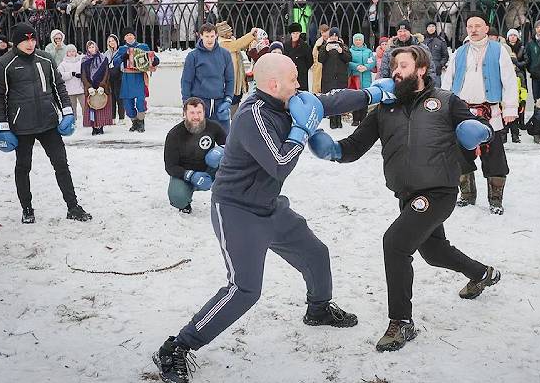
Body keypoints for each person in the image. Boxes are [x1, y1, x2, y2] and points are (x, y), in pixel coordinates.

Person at [152, 53, 394, 383]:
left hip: (269, 205)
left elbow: (326, 101)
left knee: (315, 253)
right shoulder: (253, 116)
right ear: (275, 84)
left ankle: (318, 308)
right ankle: (178, 346)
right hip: (237, 210)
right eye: (295, 78)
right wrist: (301, 132)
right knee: (244, 290)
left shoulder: (285, 100)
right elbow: (279, 163)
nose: (300, 84)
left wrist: (373, 94)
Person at [308, 44, 498, 351]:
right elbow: (355, 146)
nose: (396, 72)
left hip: (438, 191)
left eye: (404, 66)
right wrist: (333, 151)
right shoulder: (384, 109)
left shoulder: (447, 101)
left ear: (421, 69)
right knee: (434, 252)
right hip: (407, 194)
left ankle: (401, 323)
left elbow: (481, 130)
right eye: (393, 67)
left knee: (395, 243)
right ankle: (482, 273)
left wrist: (477, 131)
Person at [0, 22, 92, 224]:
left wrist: (67, 112)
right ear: (16, 42)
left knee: (61, 164)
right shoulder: (4, 64)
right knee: (23, 167)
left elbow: (59, 86)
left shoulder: (45, 59)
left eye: (33, 39)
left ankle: (73, 207)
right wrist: (1, 127)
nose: (30, 43)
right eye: (25, 39)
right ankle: (27, 209)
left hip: (48, 122)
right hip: (21, 126)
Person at [442, 12, 519, 214]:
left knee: (495, 157)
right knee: (460, 155)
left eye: (478, 25)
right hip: (462, 113)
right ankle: (467, 195)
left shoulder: (498, 50)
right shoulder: (458, 52)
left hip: (490, 113)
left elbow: (510, 81)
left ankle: (495, 200)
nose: (473, 30)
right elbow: (447, 82)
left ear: (486, 28)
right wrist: (445, 108)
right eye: (470, 26)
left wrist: (510, 108)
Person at [164, 97, 227, 214]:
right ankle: (185, 202)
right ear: (184, 114)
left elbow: (231, 146)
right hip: (186, 174)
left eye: (199, 112)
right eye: (192, 113)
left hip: (209, 169)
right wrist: (190, 175)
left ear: (204, 113)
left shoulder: (213, 127)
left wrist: (221, 150)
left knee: (231, 168)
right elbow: (170, 166)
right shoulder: (174, 134)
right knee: (178, 197)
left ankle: (230, 202)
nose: (196, 117)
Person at [181, 23, 235, 133]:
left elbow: (230, 79)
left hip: (219, 103)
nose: (209, 40)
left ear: (216, 36)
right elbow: (186, 81)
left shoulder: (225, 55)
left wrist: (228, 99)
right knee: (198, 138)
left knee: (224, 138)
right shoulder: (193, 56)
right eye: (206, 36)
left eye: (212, 36)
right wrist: (187, 103)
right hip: (199, 103)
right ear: (200, 36)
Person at [113, 29, 160, 133]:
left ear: (134, 36)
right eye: (127, 35)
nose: (129, 37)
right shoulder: (122, 49)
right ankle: (134, 122)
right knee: (127, 104)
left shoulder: (143, 47)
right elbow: (115, 62)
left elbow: (153, 58)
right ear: (124, 38)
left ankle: (141, 122)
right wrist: (123, 57)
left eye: (131, 34)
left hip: (139, 77)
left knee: (140, 101)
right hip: (126, 78)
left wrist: (155, 61)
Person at [318, 27, 351, 129]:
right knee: (331, 99)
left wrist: (341, 52)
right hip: (329, 77)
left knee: (339, 98)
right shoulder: (325, 46)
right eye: (332, 35)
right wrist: (326, 51)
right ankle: (332, 121)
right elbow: (320, 59)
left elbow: (349, 58)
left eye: (336, 35)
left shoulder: (343, 46)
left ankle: (339, 120)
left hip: (340, 77)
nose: (334, 37)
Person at [81, 41, 114, 135]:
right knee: (92, 106)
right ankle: (94, 127)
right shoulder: (84, 60)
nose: (91, 49)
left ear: (96, 47)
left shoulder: (104, 59)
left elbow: (106, 73)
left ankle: (101, 126)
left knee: (101, 106)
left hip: (101, 87)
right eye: (89, 47)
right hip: (91, 88)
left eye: (93, 47)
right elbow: (83, 75)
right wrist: (88, 87)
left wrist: (102, 86)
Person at [348, 33, 376, 125]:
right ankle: (355, 119)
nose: (358, 42)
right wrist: (356, 66)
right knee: (355, 98)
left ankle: (363, 118)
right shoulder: (350, 51)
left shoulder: (368, 52)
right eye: (356, 40)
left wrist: (366, 67)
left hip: (365, 78)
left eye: (360, 40)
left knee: (365, 98)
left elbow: (372, 61)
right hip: (355, 78)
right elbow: (348, 62)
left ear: (363, 41)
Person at [283, 23, 313, 91]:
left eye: (297, 33)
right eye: (293, 33)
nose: (295, 35)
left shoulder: (305, 46)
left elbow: (310, 61)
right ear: (291, 34)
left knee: (301, 93)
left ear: (300, 33)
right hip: (289, 73)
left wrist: (302, 68)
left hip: (301, 75)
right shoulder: (286, 45)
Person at [57, 45, 84, 120]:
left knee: (84, 106)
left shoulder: (80, 61)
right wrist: (70, 74)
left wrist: (82, 75)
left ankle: (86, 120)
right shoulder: (63, 64)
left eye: (73, 51)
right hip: (70, 89)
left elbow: (85, 70)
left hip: (80, 88)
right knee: (72, 107)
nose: (71, 53)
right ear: (67, 53)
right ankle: (73, 121)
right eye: (69, 51)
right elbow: (59, 75)